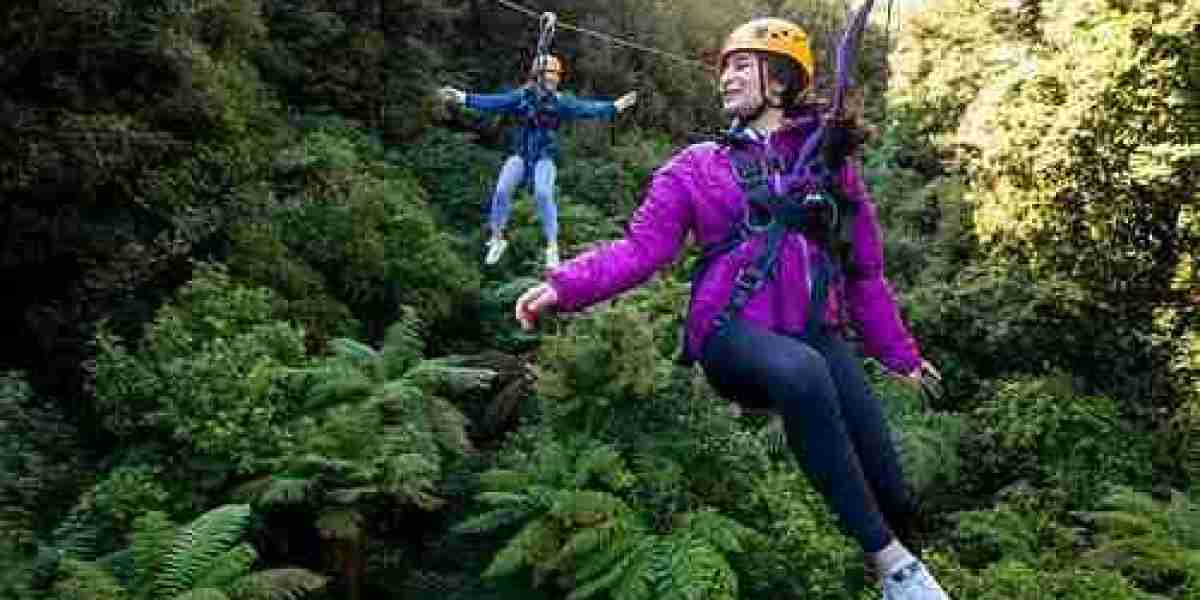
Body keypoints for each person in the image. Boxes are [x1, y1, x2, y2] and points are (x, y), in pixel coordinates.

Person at [512, 17, 951, 600]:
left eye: (741, 64)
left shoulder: (828, 166)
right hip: (731, 333)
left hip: (817, 331)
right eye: (724, 67)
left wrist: (901, 355)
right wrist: (566, 285)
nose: (726, 77)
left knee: (893, 489)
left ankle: (905, 564)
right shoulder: (695, 167)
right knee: (801, 372)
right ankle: (890, 564)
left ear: (781, 81)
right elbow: (642, 249)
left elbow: (864, 272)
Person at [439, 54, 638, 268]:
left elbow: (587, 109)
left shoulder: (561, 103)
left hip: (544, 156)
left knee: (543, 193)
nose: (554, 81)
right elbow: (494, 102)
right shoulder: (523, 97)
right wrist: (461, 97)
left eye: (556, 77)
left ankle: (552, 246)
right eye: (550, 76)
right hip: (521, 154)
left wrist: (615, 106)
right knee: (501, 191)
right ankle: (497, 238)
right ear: (539, 77)